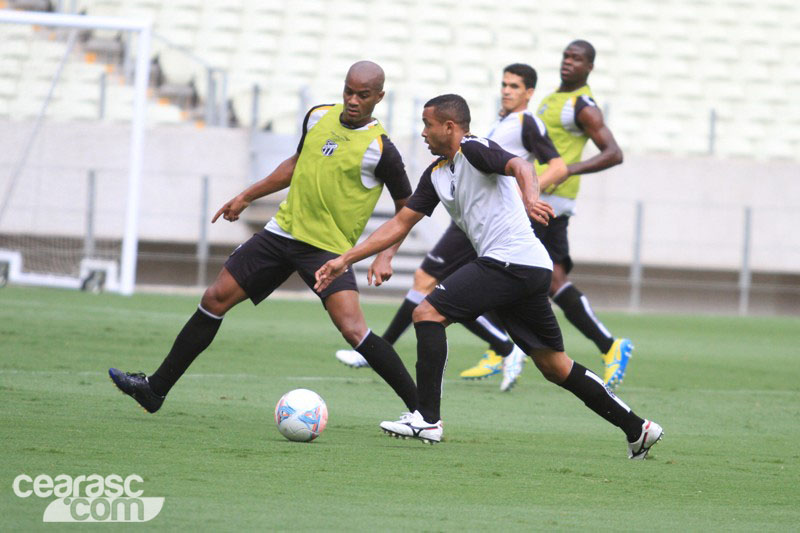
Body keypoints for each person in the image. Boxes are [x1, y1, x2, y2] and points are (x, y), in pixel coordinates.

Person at [315, 94, 662, 459]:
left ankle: (427, 419)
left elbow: (522, 167)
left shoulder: (474, 148)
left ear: (449, 127)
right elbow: (401, 222)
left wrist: (530, 199)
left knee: (427, 312)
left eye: (427, 125)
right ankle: (638, 428)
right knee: (555, 367)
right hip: (525, 267)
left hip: (510, 262)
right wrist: (347, 259)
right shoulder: (436, 174)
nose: (422, 133)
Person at [108, 61, 418, 416]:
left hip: (326, 249)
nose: (352, 100)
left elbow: (406, 209)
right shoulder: (318, 116)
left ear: (378, 97)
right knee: (214, 298)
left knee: (353, 329)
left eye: (362, 95)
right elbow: (295, 163)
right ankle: (154, 390)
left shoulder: (381, 149)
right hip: (281, 232)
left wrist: (386, 254)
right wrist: (246, 195)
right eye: (348, 91)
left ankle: (420, 409)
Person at [334, 63, 568, 393]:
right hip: (475, 226)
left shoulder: (518, 126)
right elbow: (403, 220)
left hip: (499, 237)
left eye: (515, 86)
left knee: (430, 297)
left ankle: (425, 384)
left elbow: (534, 166)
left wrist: (529, 197)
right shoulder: (459, 155)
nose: (506, 90)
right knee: (439, 293)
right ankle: (501, 348)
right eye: (504, 84)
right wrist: (365, 257)